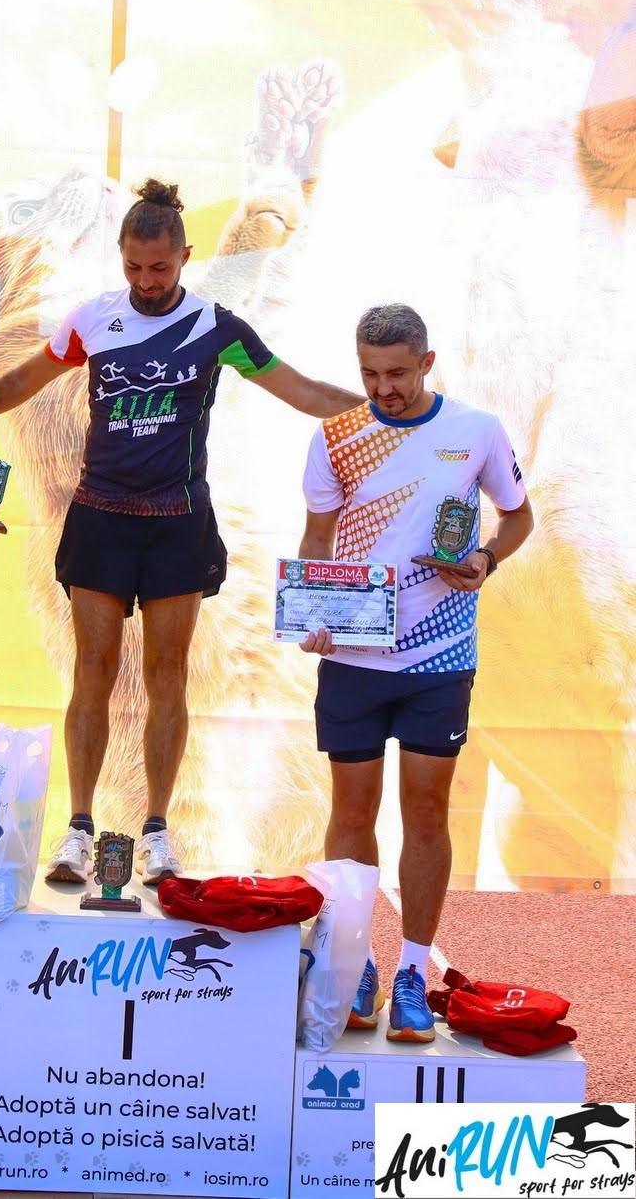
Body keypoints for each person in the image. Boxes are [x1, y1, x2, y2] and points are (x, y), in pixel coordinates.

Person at [0, 178, 361, 886]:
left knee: (167, 679)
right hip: (101, 520)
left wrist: (390, 410)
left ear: (184, 257)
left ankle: (157, 834)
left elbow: (303, 391)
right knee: (94, 674)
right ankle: (78, 829)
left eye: (159, 268)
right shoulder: (91, 321)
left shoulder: (217, 328)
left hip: (177, 525)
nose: (146, 281)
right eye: (133, 266)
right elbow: (18, 385)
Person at [298, 303, 533, 1041]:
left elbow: (518, 517)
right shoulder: (337, 435)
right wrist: (312, 609)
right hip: (353, 656)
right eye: (370, 373)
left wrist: (486, 559)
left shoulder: (476, 430)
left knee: (427, 811)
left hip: (440, 655)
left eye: (398, 373)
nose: (383, 388)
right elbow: (317, 537)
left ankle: (411, 971)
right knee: (352, 811)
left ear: (427, 363)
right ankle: (358, 963)